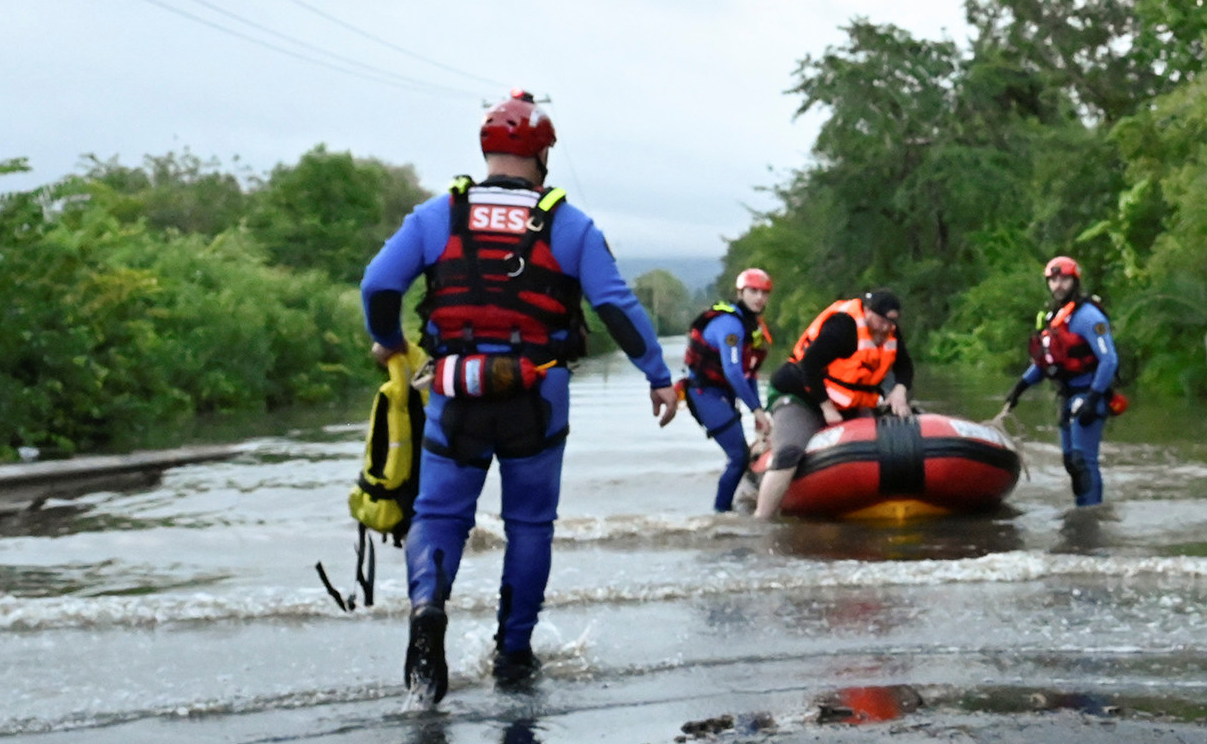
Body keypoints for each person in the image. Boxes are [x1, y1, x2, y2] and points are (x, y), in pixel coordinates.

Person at [360, 91, 676, 704]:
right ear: (543, 155)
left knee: (439, 515)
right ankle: (513, 653)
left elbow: (378, 284)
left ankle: (428, 607)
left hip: (456, 388)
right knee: (529, 525)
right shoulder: (569, 224)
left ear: (488, 150)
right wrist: (658, 375)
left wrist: (389, 340)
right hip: (539, 392)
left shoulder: (436, 215)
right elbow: (616, 305)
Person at [752, 286, 912, 520]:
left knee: (880, 445)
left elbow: (905, 366)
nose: (886, 328)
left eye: (891, 323)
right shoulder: (843, 327)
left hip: (848, 402)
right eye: (881, 321)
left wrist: (899, 391)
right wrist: (826, 408)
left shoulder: (890, 333)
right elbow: (810, 365)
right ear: (867, 311)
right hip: (801, 395)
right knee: (789, 453)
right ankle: (761, 518)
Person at [1005, 255, 1119, 507]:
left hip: (1089, 395)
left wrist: (1092, 398)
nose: (1058, 285)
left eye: (1064, 279)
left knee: (1082, 460)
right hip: (1067, 397)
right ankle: (1085, 514)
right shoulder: (1054, 318)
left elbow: (1109, 360)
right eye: (1053, 280)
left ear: (1074, 281)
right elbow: (1046, 362)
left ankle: (1092, 518)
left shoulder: (1089, 317)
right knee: (1070, 462)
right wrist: (1019, 389)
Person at [682, 268, 773, 513]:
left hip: (722, 395)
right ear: (740, 292)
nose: (759, 298)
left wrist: (759, 411)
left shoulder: (752, 327)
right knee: (738, 457)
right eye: (753, 291)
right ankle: (721, 515)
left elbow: (749, 373)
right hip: (704, 394)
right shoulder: (731, 326)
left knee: (740, 456)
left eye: (764, 293)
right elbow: (733, 371)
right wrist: (756, 409)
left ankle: (731, 508)